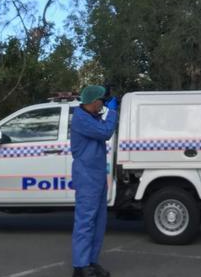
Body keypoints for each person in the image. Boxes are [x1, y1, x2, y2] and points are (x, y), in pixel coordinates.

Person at [70, 85, 118, 277]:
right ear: (93, 101)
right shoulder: (82, 119)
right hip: (87, 176)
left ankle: (91, 261)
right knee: (85, 221)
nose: (103, 105)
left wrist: (107, 112)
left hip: (96, 175)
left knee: (98, 221)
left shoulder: (91, 117)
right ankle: (80, 267)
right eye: (102, 102)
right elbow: (105, 132)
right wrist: (112, 111)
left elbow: (102, 128)